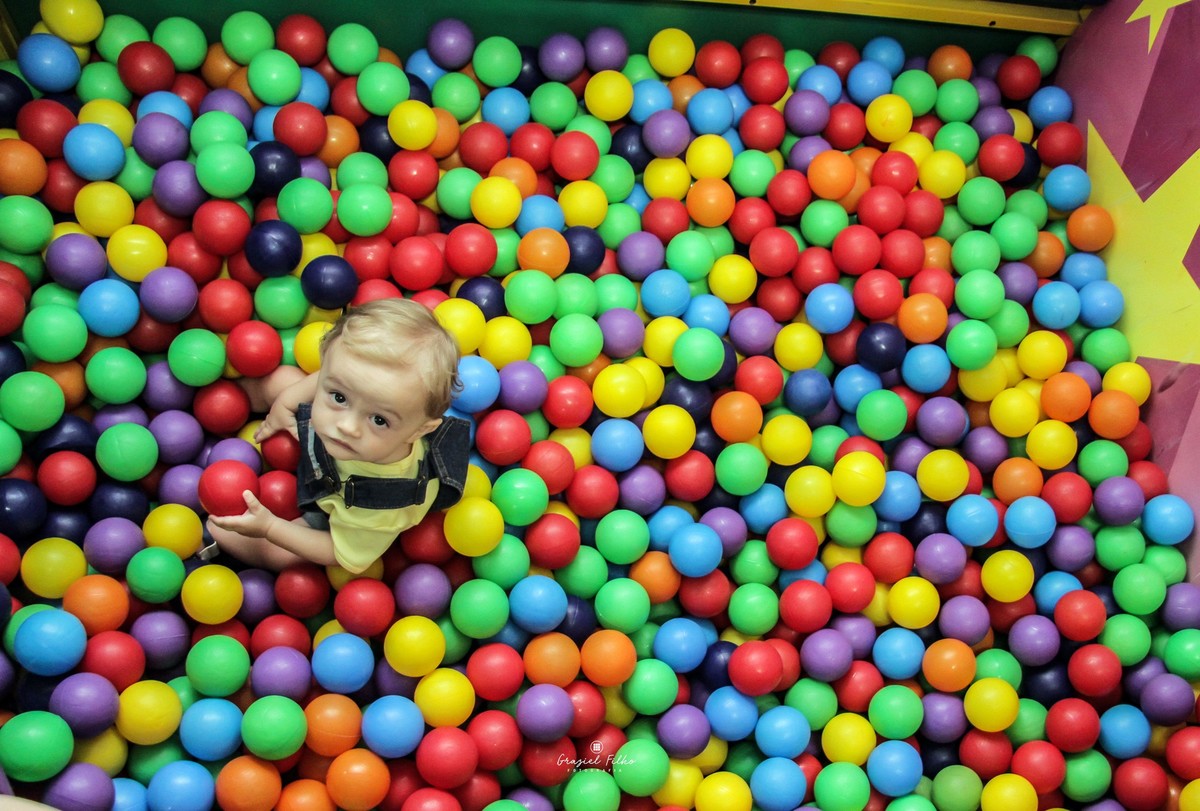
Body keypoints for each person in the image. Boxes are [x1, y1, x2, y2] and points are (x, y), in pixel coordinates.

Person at [205, 298, 470, 574]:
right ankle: (225, 394)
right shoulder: (352, 391)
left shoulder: (382, 507)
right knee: (282, 380)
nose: (347, 426)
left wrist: (270, 527)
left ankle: (212, 531)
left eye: (379, 420)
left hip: (342, 503)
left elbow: (342, 555)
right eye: (340, 397)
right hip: (329, 454)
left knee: (279, 554)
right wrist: (283, 405)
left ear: (418, 431)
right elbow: (327, 378)